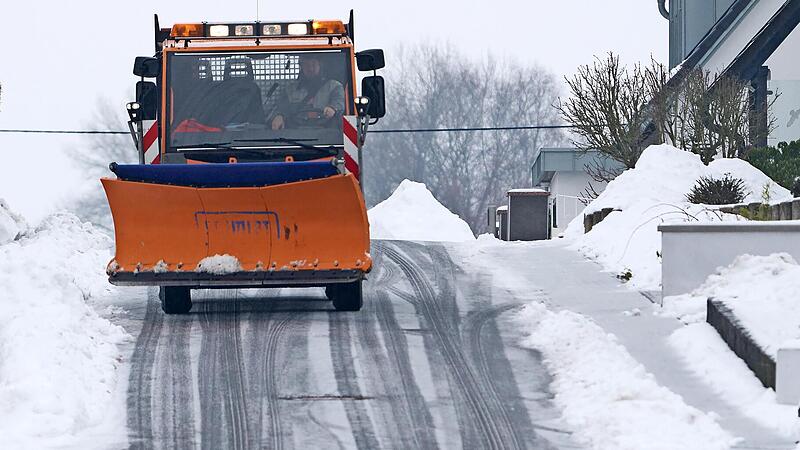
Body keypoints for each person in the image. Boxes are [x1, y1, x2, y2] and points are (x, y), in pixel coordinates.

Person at [271, 54, 345, 130]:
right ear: (301, 67)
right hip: (294, 136)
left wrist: (333, 108)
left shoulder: (334, 86)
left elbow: (339, 103)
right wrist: (279, 116)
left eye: (313, 64)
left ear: (320, 65)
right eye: (306, 65)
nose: (310, 68)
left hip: (328, 136)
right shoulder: (290, 90)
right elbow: (281, 108)